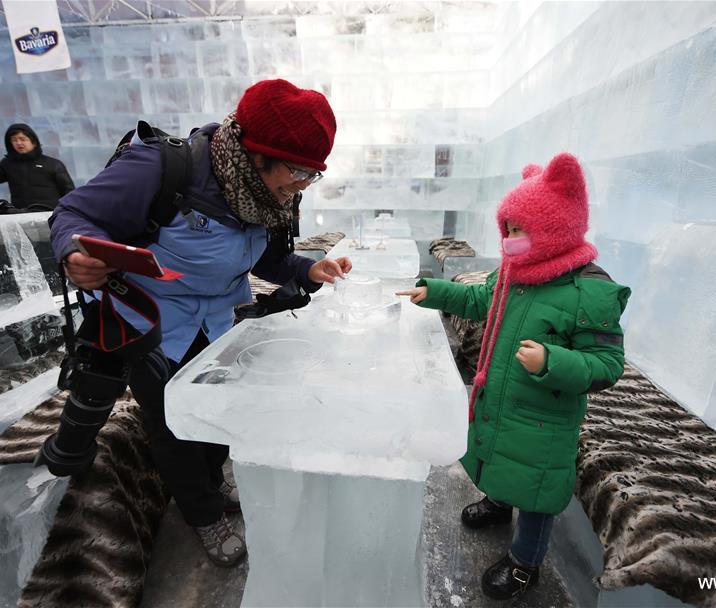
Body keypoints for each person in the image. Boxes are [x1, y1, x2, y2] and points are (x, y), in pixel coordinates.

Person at [48, 78, 352, 567]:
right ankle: (203, 513)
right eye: (297, 170)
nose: (301, 184)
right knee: (173, 426)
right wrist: (75, 251)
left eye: (312, 174)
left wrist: (307, 268)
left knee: (221, 407)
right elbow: (72, 213)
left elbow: (269, 258)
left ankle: (213, 479)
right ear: (257, 155)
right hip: (156, 324)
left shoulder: (271, 193)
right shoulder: (165, 169)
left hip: (220, 319)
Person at [397, 153, 630, 600]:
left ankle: (526, 562)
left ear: (555, 226)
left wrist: (551, 362)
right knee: (500, 456)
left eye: (519, 230)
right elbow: (480, 301)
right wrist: (435, 292)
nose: (509, 240)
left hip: (546, 419)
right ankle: (499, 502)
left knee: (537, 494)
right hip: (503, 399)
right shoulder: (514, 272)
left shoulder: (590, 291)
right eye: (507, 229)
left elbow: (607, 365)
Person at [0, 123, 74, 210]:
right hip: (21, 215)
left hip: (50, 213)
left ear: (34, 142)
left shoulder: (53, 164)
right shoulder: (8, 163)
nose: (19, 143)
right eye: (14, 140)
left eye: (23, 139)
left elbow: (69, 191)